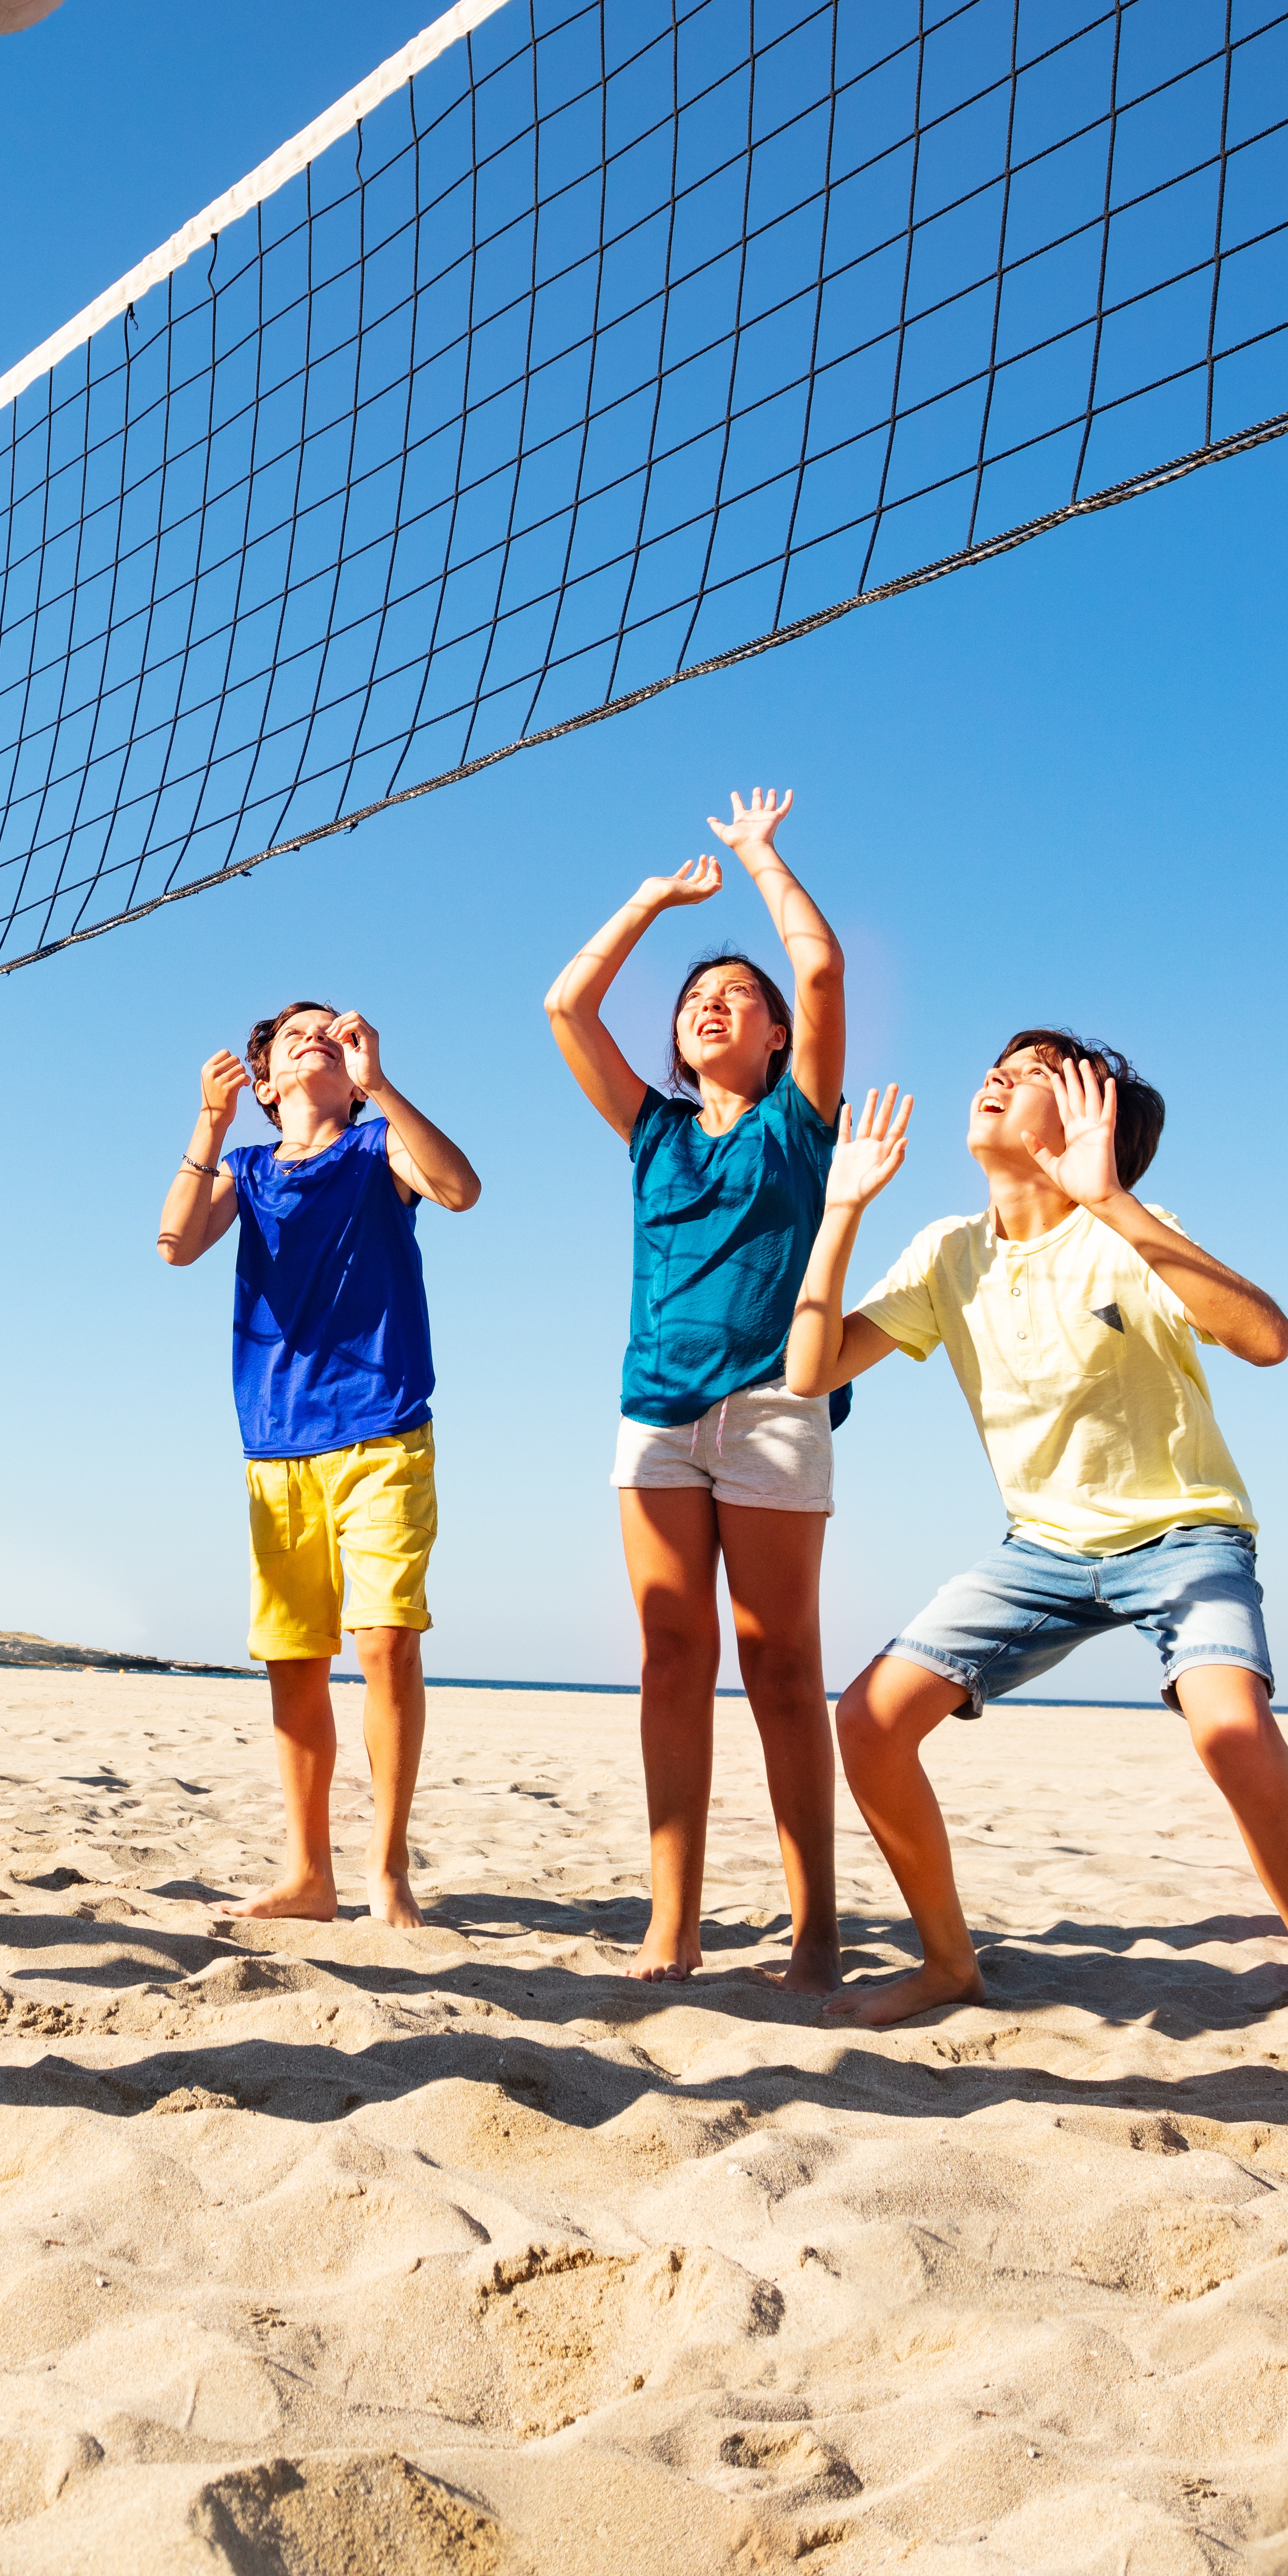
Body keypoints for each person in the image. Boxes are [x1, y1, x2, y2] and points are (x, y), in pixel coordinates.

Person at [783, 1041, 1288, 2108]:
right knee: (870, 1719)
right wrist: (842, 1207)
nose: (996, 1072)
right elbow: (808, 1373)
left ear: (1088, 1115)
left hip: (1182, 1534)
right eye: (997, 1060)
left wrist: (1115, 1200)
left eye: (1035, 1065)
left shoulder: (1126, 1231)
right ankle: (948, 1962)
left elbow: (1268, 1338)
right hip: (1041, 1548)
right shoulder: (949, 1252)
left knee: (1233, 1730)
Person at [543, 789, 846, 1987]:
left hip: (775, 1406)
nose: (713, 1003)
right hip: (656, 1413)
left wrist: (761, 858)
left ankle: (814, 1928)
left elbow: (817, 969)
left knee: (779, 1663)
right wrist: (651, 902)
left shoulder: (798, 1125)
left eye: (738, 998)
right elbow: (567, 1005)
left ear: (774, 1039)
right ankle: (673, 1925)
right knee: (672, 1655)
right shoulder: (653, 1130)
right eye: (695, 999)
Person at [156, 1003, 482, 1928]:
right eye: (293, 1033)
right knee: (295, 1665)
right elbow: (176, 1244)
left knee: (384, 1642)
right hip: (276, 1443)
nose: (314, 1035)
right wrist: (208, 1124)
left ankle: (386, 1870)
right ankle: (309, 1875)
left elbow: (462, 1191)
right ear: (266, 1084)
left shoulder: (380, 1146)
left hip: (382, 1429)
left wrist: (379, 1081)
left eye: (327, 1030)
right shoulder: (248, 1168)